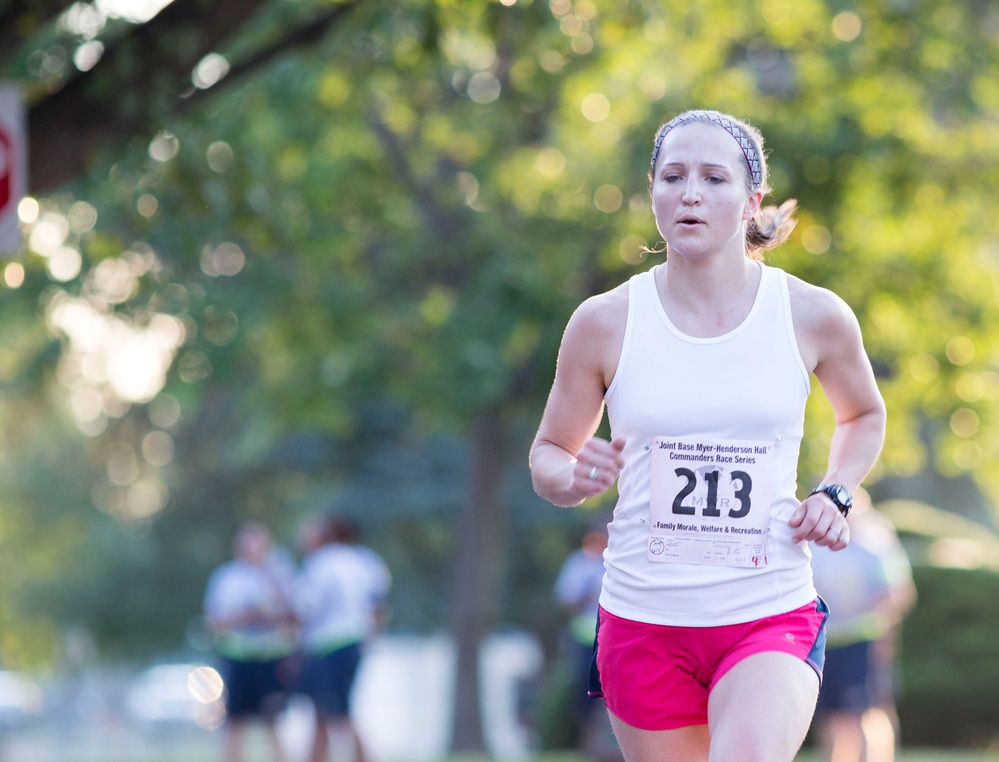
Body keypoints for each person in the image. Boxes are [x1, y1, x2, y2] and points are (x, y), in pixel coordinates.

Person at [529, 108, 887, 762]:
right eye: (672, 176)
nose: (690, 192)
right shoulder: (604, 322)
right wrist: (570, 478)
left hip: (767, 609)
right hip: (643, 621)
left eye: (713, 178)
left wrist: (834, 493)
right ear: (652, 192)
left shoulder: (810, 315)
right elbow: (549, 454)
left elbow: (863, 414)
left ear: (750, 199)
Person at [809, 489, 916, 762]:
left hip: (864, 640)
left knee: (865, 713)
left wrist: (885, 635)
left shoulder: (874, 544)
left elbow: (896, 594)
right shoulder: (816, 545)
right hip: (826, 641)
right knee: (829, 715)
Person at [294, 513, 392, 762]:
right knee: (324, 714)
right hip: (355, 641)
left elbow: (306, 607)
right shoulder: (366, 560)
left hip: (328, 645)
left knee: (338, 712)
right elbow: (379, 604)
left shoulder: (321, 563)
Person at [203, 521, 298, 762]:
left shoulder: (280, 575)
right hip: (236, 658)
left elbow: (294, 616)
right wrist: (245, 616)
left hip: (270, 658)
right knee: (234, 722)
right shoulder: (227, 578)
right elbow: (214, 621)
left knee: (273, 721)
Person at [553, 513, 623, 762]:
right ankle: (590, 745)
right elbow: (567, 601)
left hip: (614, 637)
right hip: (585, 638)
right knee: (586, 693)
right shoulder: (579, 564)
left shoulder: (620, 561)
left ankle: (611, 744)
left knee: (614, 690)